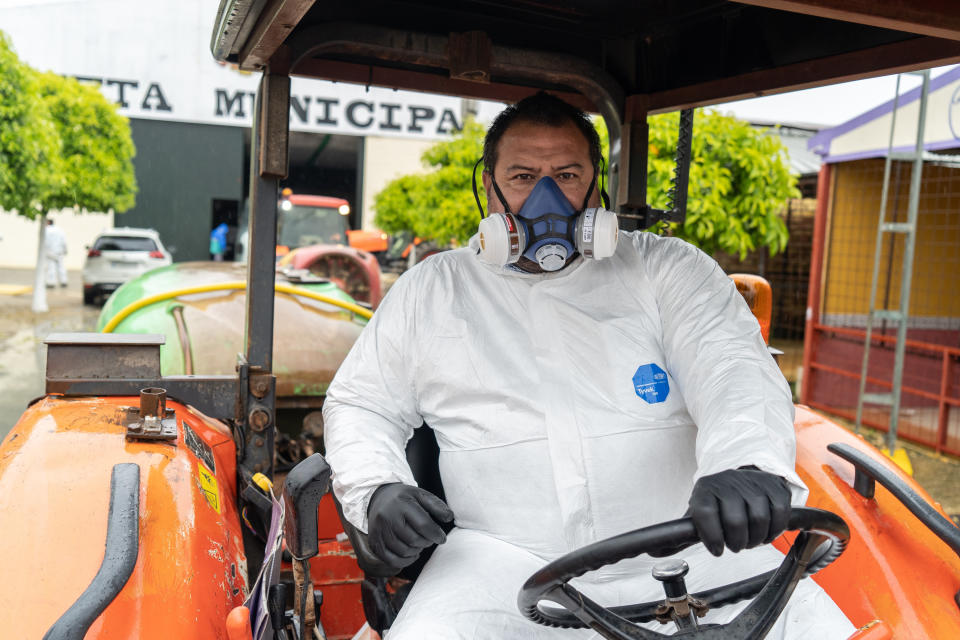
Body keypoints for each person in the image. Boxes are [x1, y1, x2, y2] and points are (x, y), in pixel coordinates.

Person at [322, 92, 855, 639]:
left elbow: (734, 370)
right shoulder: (434, 290)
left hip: (700, 546)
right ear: (490, 188)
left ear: (597, 183)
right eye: (524, 176)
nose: (546, 197)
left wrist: (746, 464)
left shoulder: (668, 269)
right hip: (499, 561)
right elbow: (361, 403)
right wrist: (377, 488)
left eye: (567, 174)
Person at [44, 218, 68, 288]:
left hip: (50, 252)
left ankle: (51, 283)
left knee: (51, 267)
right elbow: (64, 241)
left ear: (48, 223)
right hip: (59, 251)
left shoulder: (46, 230)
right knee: (61, 266)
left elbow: (45, 242)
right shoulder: (59, 230)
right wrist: (65, 250)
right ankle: (64, 281)